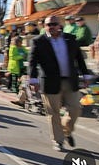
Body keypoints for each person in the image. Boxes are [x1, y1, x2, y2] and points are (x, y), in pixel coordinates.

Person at [29, 15, 88, 151]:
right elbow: (32, 62)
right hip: (50, 82)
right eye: (48, 24)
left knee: (75, 109)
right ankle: (58, 140)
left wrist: (85, 75)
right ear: (45, 26)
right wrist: (32, 80)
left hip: (70, 80)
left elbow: (79, 59)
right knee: (53, 113)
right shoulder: (38, 41)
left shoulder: (70, 39)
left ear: (60, 25)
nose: (51, 27)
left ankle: (66, 131)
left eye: (54, 24)